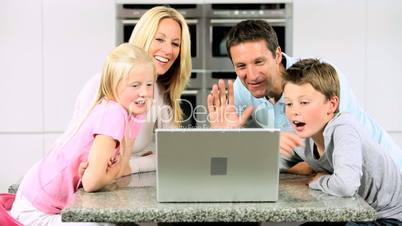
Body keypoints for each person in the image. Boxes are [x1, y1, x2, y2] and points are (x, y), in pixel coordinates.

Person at [207, 19, 402, 171]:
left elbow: (337, 155)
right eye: (241, 66)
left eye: (259, 62)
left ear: (276, 55)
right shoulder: (243, 89)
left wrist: (265, 147)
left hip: (382, 175)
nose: (251, 75)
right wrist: (225, 138)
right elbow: (229, 156)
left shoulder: (319, 78)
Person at [10, 43, 156, 225]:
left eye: (149, 84)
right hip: (35, 210)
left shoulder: (132, 112)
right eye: (135, 85)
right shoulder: (113, 113)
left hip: (39, 194)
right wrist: (107, 173)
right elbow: (92, 182)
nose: (144, 92)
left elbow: (122, 165)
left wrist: (109, 171)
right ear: (113, 84)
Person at [71, 6, 192, 173]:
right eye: (159, 39)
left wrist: (130, 164)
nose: (168, 50)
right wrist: (141, 163)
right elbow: (87, 165)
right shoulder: (101, 83)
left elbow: (172, 156)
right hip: (67, 190)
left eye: (175, 44)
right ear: (143, 38)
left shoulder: (160, 92)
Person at [282, 58, 402, 225]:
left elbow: (345, 185)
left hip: (387, 218)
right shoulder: (302, 137)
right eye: (288, 103)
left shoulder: (344, 128)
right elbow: (271, 165)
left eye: (304, 103)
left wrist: (318, 180)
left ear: (331, 105)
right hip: (356, 212)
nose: (294, 111)